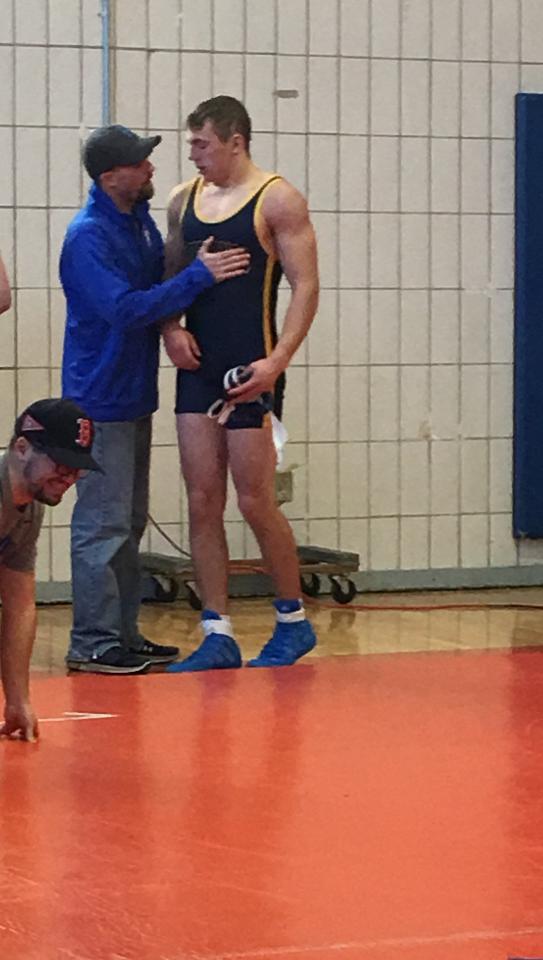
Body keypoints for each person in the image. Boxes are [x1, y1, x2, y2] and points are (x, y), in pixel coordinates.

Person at [60, 124, 250, 675]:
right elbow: (125, 308)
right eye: (140, 163)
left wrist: (201, 256)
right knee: (103, 523)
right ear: (109, 176)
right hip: (99, 397)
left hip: (132, 391)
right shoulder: (89, 236)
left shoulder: (135, 221)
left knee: (129, 520)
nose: (150, 170)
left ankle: (121, 632)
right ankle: (93, 642)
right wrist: (199, 275)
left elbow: (156, 276)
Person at [163, 96, 319, 672]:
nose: (194, 154)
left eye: (202, 143)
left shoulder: (276, 198)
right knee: (202, 499)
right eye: (192, 145)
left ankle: (292, 620)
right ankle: (217, 632)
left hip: (249, 367)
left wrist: (277, 362)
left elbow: (306, 286)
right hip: (197, 366)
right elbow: (171, 274)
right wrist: (171, 328)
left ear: (236, 140)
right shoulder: (184, 200)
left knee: (254, 500)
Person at [0, 398, 101, 741]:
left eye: (77, 467)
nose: (70, 477)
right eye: (61, 463)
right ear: (22, 448)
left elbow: (20, 606)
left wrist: (17, 700)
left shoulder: (27, 511)